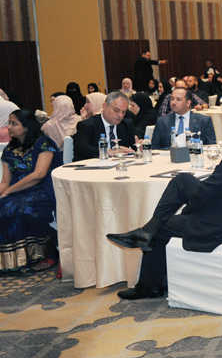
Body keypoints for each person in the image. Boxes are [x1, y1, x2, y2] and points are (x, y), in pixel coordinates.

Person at [107, 111, 222, 299]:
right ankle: (146, 231)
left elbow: (204, 194)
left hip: (218, 225)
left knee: (165, 225)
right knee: (183, 180)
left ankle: (149, 284)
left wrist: (189, 210)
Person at [1, 109, 63, 273]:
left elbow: (39, 174)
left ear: (27, 126)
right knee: (3, 206)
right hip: (17, 189)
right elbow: (5, 181)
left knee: (20, 208)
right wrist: (3, 192)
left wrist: (8, 192)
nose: (9, 127)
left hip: (42, 188)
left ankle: (44, 253)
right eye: (9, 123)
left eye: (14, 123)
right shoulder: (8, 150)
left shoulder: (43, 143)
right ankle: (11, 260)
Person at [73, 91, 137, 161]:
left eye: (124, 112)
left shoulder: (127, 124)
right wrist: (107, 152)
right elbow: (81, 149)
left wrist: (140, 146)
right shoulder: (88, 125)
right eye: (116, 110)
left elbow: (136, 144)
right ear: (105, 106)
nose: (120, 115)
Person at [150, 88, 216, 150]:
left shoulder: (204, 121)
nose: (173, 102)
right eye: (172, 99)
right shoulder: (162, 121)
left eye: (178, 99)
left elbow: (211, 147)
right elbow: (154, 149)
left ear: (188, 103)